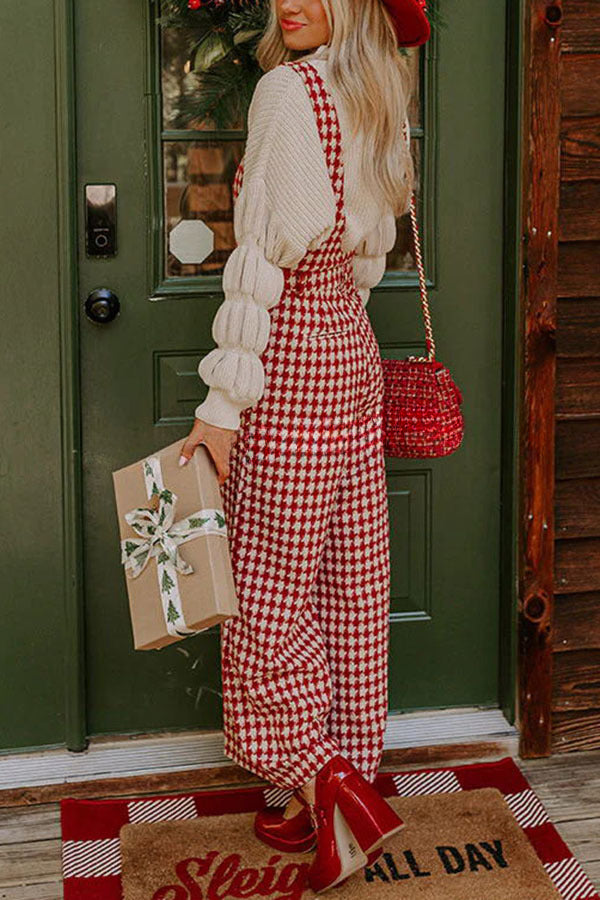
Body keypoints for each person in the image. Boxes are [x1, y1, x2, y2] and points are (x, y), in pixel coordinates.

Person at [179, 0, 430, 892]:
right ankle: (329, 784)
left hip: (287, 358)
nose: (292, 1)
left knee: (267, 591)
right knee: (349, 582)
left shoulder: (289, 91)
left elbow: (260, 259)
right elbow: (368, 257)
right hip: (351, 352)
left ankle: (323, 780)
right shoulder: (378, 91)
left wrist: (222, 407)